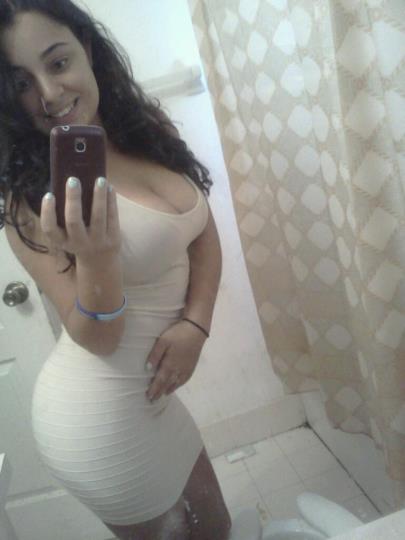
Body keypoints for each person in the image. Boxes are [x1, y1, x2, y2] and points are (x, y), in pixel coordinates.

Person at [0, 1, 232, 539]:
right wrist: (98, 257)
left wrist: (196, 324)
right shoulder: (28, 202)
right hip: (96, 423)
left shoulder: (145, 128)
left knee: (216, 526)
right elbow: (98, 338)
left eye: (58, 63)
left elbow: (203, 232)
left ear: (87, 48)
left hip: (153, 401)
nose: (49, 93)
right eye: (21, 83)